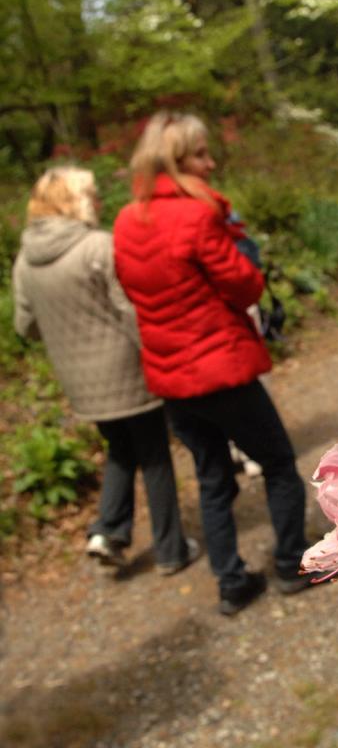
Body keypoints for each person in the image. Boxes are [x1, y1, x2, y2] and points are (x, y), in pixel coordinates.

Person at [112, 111, 319, 615]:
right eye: (202, 154)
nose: (210, 163)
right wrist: (242, 245)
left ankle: (231, 582)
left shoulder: (125, 219)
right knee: (278, 465)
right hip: (219, 370)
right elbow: (245, 284)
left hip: (172, 380)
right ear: (178, 160)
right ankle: (292, 564)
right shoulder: (199, 215)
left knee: (212, 477)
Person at [12, 167, 197, 575]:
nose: (97, 201)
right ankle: (171, 550)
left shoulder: (26, 259)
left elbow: (24, 325)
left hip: (79, 382)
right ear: (71, 201)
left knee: (120, 447)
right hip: (127, 370)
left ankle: (108, 532)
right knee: (154, 456)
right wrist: (160, 349)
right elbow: (128, 309)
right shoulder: (98, 246)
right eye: (92, 194)